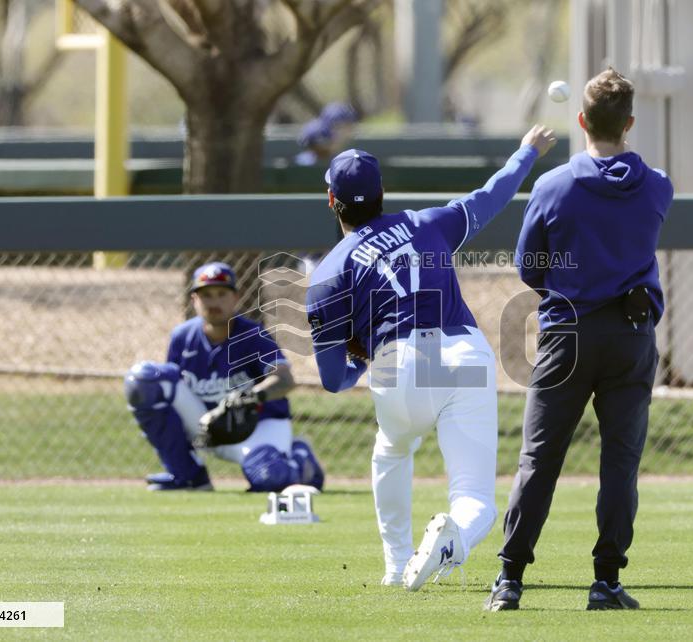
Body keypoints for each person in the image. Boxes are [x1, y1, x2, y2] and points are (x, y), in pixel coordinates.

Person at [305, 126, 556, 589]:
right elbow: (492, 195)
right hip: (464, 352)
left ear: (331, 201)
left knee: (391, 449)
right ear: (382, 193)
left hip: (396, 363)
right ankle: (450, 541)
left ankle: (397, 563)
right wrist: (527, 152)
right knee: (475, 498)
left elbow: (333, 379)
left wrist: (361, 357)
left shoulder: (328, 274)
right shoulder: (427, 223)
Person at [485, 69, 673, 612]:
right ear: (629, 123)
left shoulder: (553, 186)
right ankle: (606, 582)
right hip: (630, 335)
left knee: (539, 459)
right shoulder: (658, 185)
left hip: (566, 334)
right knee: (620, 463)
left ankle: (510, 579)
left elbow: (528, 265)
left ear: (581, 121)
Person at [124, 262, 324, 492]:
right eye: (206, 295)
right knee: (144, 380)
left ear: (235, 298)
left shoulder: (253, 335)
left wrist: (251, 396)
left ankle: (299, 457)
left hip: (257, 426)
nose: (214, 302)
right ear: (194, 300)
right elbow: (171, 393)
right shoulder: (182, 337)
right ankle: (187, 476)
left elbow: (285, 380)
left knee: (270, 478)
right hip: (208, 425)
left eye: (222, 294)